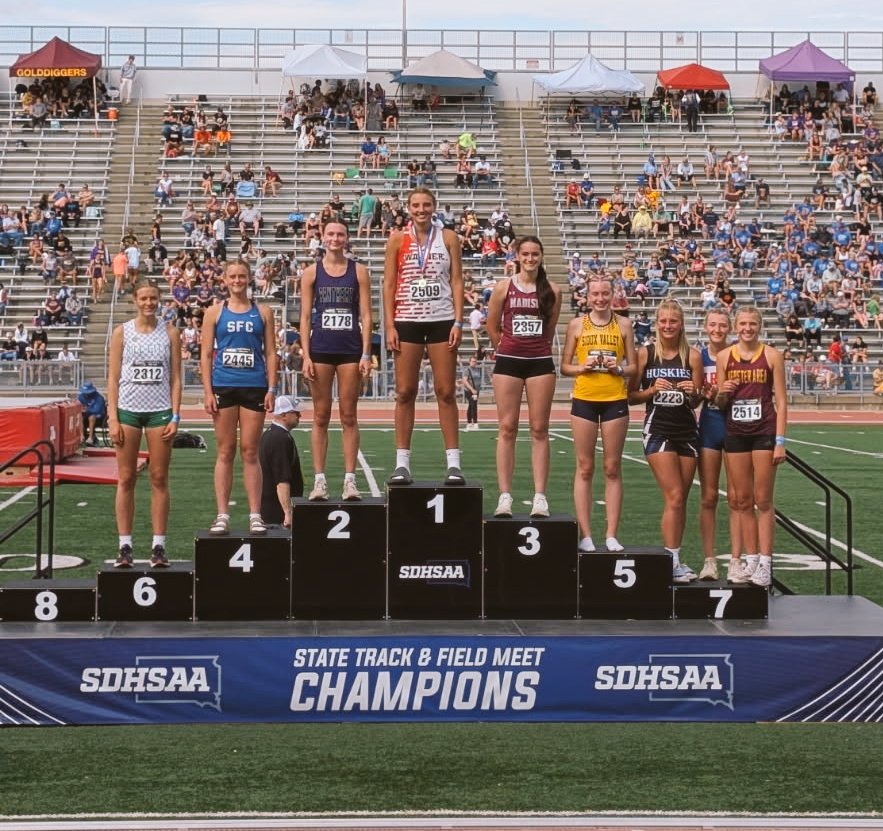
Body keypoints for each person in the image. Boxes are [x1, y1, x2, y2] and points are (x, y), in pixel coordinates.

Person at [383, 186, 464, 485]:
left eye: (426, 205)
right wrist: (389, 325)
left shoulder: (448, 238)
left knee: (445, 391)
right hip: (407, 321)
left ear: (434, 207)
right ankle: (402, 462)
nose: (421, 210)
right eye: (416, 205)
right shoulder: (397, 240)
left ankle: (454, 463)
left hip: (442, 320)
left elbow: (457, 280)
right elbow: (389, 283)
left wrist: (458, 321)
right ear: (408, 208)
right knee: (405, 392)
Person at [106, 279, 182, 569]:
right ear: (135, 300)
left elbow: (176, 378)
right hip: (128, 413)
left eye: (153, 298)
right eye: (144, 298)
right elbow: (112, 379)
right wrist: (112, 417)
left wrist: (175, 415)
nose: (149, 303)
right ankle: (124, 545)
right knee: (126, 478)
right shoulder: (121, 333)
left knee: (159, 478)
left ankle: (158, 546)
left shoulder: (170, 333)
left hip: (159, 413)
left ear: (159, 299)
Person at [485, 236, 562, 518]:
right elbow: (492, 326)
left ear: (541, 257)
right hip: (509, 362)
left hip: (540, 362)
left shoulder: (552, 290)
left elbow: (549, 330)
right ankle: (505, 496)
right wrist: (505, 348)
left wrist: (532, 348)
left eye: (535, 254)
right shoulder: (503, 288)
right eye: (526, 254)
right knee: (507, 428)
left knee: (540, 429)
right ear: (517, 256)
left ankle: (540, 496)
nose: (530, 259)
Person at [201, 259, 278, 536]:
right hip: (224, 385)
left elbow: (270, 352)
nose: (237, 280)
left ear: (249, 278)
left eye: (242, 276)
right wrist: (208, 391)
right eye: (232, 276)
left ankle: (255, 515)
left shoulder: (264, 312)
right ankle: (222, 514)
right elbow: (206, 354)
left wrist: (272, 388)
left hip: (254, 385)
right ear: (224, 279)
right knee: (225, 450)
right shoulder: (214, 312)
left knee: (249, 450)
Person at [629, 300, 704, 583]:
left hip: (687, 431)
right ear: (657, 323)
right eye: (663, 321)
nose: (668, 326)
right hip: (658, 430)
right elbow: (630, 395)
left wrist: (693, 390)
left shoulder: (693, 357)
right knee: (673, 495)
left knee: (680, 500)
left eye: (673, 321)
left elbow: (697, 399)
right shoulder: (646, 354)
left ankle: (675, 556)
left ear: (681, 323)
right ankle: (670, 561)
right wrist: (650, 391)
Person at [561, 275, 637, 553]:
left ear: (613, 294)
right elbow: (565, 366)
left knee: (612, 468)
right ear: (588, 296)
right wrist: (583, 367)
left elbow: (633, 367)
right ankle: (586, 535)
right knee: (585, 467)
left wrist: (618, 369)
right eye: (596, 294)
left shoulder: (624, 324)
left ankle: (611, 534)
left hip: (615, 399)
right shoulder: (577, 325)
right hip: (584, 399)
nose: (601, 298)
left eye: (605, 293)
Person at [299, 220, 373, 502]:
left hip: (350, 350)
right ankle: (320, 481)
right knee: (320, 416)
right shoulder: (310, 273)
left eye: (340, 234)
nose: (335, 238)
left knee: (349, 416)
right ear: (322, 237)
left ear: (347, 238)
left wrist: (366, 353)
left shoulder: (360, 272)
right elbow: (305, 317)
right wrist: (305, 355)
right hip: (320, 350)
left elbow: (366, 315)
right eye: (330, 233)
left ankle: (350, 481)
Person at [715, 306, 788, 588]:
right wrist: (724, 392)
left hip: (764, 432)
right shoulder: (724, 357)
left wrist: (780, 441)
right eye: (743, 324)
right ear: (735, 326)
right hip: (735, 433)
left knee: (763, 500)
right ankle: (752, 558)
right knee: (742, 500)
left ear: (759, 326)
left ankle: (767, 562)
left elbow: (781, 401)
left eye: (752, 324)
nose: (747, 328)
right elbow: (720, 404)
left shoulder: (771, 355)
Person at [696, 309, 733, 582]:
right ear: (706, 327)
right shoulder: (699, 357)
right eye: (713, 325)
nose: (717, 329)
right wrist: (703, 394)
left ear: (728, 328)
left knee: (737, 498)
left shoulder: (736, 355)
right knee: (709, 497)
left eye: (722, 325)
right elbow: (695, 399)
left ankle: (736, 559)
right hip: (708, 426)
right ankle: (709, 560)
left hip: (735, 427)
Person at [258, 395, 304, 528]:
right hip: (276, 515)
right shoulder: (280, 439)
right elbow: (281, 480)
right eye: (295, 412)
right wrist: (287, 512)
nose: (299, 415)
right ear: (284, 415)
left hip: (270, 508)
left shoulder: (273, 434)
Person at [78, 380, 107, 446]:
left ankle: (90, 438)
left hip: (99, 418)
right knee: (80, 416)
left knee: (92, 417)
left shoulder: (99, 398)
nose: (86, 394)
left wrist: (86, 410)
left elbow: (97, 410)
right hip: (85, 417)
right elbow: (78, 407)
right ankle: (81, 437)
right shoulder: (81, 397)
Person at [461, 354, 481, 430]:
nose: (474, 363)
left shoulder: (478, 370)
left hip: (476, 391)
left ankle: (469, 422)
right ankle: (474, 422)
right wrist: (472, 389)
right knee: (473, 405)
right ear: (469, 362)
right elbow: (465, 380)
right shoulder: (467, 370)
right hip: (469, 391)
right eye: (472, 361)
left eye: (475, 361)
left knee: (471, 406)